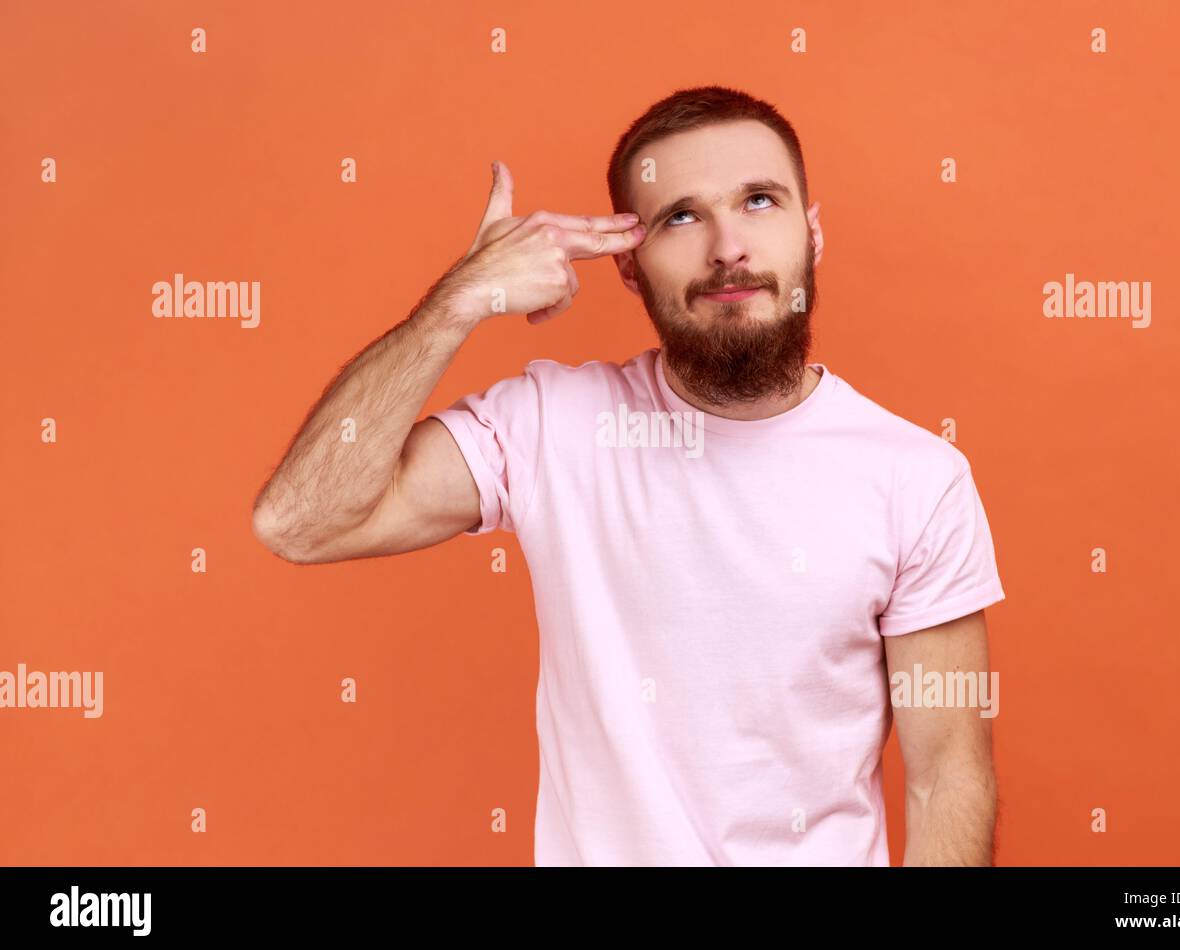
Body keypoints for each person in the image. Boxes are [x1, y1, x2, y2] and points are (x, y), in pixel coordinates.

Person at [252, 85, 1007, 866]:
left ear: (811, 233)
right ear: (627, 263)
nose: (727, 248)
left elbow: (947, 777)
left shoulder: (918, 479)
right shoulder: (551, 426)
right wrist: (459, 302)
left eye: (759, 200)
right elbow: (302, 521)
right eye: (681, 215)